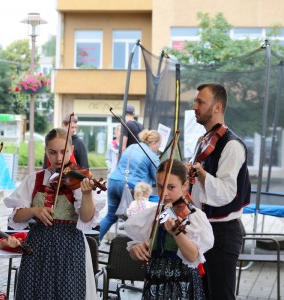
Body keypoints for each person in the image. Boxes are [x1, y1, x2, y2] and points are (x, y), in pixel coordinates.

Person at [4, 128, 99, 300]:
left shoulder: (78, 180)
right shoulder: (34, 179)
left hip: (71, 248)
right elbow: (16, 218)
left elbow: (86, 218)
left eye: (64, 152)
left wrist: (86, 195)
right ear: (46, 151)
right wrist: (34, 211)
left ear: (71, 150)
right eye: (53, 152)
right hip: (38, 246)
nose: (59, 158)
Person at [189, 83, 251, 300]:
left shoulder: (232, 145)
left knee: (220, 296)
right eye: (196, 101)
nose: (195, 106)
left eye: (200, 102)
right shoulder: (204, 141)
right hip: (202, 229)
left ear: (217, 107)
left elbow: (226, 192)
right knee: (202, 294)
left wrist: (202, 174)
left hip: (222, 233)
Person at [125, 159, 214, 299]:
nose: (164, 193)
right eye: (160, 186)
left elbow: (192, 256)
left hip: (182, 282)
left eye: (171, 187)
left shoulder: (193, 216)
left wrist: (176, 233)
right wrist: (135, 249)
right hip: (154, 281)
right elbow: (135, 250)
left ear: (185, 185)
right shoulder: (151, 215)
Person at [99, 129, 161, 241]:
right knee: (139, 218)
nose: (158, 149)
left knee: (110, 216)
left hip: (114, 182)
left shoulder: (132, 147)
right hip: (131, 187)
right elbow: (158, 178)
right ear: (153, 143)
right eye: (158, 145)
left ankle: (93, 242)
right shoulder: (151, 156)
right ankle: (133, 249)